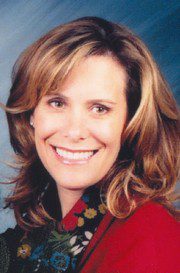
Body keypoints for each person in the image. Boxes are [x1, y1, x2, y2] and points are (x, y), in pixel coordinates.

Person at [0, 16, 179, 273]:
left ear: (132, 123)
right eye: (57, 103)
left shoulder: (152, 237)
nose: (74, 131)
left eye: (99, 108)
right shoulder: (40, 229)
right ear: (31, 114)